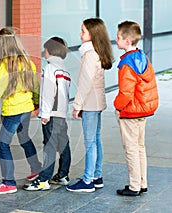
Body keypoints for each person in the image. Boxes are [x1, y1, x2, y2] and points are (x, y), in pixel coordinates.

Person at [0, 27, 42, 195]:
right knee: (24, 138)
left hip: (12, 112)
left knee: (3, 144)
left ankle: (8, 182)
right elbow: (35, 86)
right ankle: (37, 169)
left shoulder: (3, 67)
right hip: (26, 108)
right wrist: (36, 104)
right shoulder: (28, 62)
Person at [66, 18, 114, 192]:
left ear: (93, 34)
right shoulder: (97, 52)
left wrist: (77, 105)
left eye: (83, 31)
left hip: (90, 104)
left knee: (90, 142)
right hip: (97, 102)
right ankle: (96, 176)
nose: (80, 34)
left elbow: (85, 83)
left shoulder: (89, 54)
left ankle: (87, 181)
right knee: (95, 140)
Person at [114, 21, 159, 196]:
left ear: (127, 41)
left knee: (131, 149)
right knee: (140, 147)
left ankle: (134, 186)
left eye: (118, 37)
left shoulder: (126, 64)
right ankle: (142, 183)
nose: (116, 40)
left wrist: (117, 107)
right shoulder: (142, 57)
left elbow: (125, 93)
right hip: (143, 109)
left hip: (130, 112)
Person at [24, 37, 71, 191]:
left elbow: (48, 92)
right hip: (61, 114)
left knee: (49, 145)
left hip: (51, 113)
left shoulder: (50, 68)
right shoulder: (64, 69)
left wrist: (44, 113)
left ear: (50, 51)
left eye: (45, 50)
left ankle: (44, 179)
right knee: (63, 144)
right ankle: (62, 174)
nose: (44, 53)